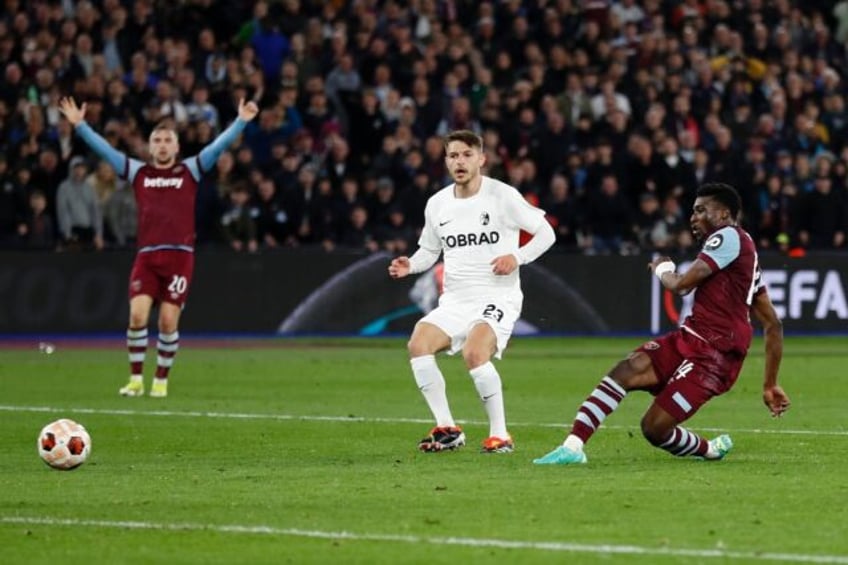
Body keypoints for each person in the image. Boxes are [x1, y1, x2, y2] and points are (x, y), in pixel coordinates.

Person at [534, 183, 791, 465]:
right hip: (688, 339)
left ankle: (708, 450)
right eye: (693, 211)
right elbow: (773, 324)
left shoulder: (727, 237)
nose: (693, 217)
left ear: (724, 213)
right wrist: (770, 384)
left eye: (701, 210)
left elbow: (681, 286)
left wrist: (663, 270)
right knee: (626, 371)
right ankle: (573, 447)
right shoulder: (743, 256)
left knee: (654, 428)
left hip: (715, 358)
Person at [58, 95, 259, 398]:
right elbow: (106, 151)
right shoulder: (139, 172)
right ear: (150, 147)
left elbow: (216, 148)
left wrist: (241, 121)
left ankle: (161, 380)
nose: (163, 145)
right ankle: (136, 379)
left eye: (168, 140)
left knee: (167, 321)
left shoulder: (189, 170)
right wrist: (81, 126)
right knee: (137, 316)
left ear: (176, 147)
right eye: (157, 140)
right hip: (148, 256)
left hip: (180, 257)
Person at [388, 129, 556, 453]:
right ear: (446, 161)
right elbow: (428, 251)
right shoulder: (437, 205)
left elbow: (546, 233)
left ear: (482, 159)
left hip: (498, 296)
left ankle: (500, 435)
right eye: (453, 155)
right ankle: (447, 428)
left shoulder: (502, 196)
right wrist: (410, 264)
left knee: (474, 353)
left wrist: (516, 256)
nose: (460, 161)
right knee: (418, 344)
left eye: (466, 155)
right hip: (456, 299)